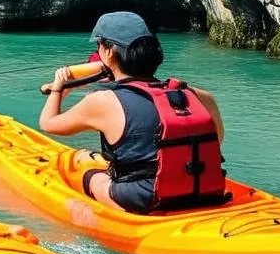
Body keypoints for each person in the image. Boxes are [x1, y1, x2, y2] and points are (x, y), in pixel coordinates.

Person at [40, 11, 227, 213]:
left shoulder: (102, 101)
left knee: (90, 177)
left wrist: (60, 89)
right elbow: (218, 140)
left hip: (147, 199)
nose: (98, 49)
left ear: (109, 52)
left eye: (99, 45)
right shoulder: (200, 95)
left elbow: (49, 123)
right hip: (208, 190)